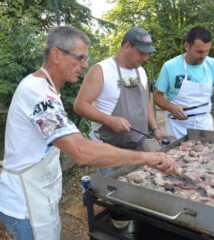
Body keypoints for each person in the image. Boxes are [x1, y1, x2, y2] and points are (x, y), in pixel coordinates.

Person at [0, 26, 176, 240]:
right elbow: (81, 151)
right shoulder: (38, 94)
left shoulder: (46, 90)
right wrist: (147, 157)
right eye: (80, 58)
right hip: (24, 204)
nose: (85, 65)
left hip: (38, 195)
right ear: (57, 55)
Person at [73, 26, 170, 175]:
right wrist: (109, 120)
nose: (145, 58)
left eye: (147, 54)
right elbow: (80, 105)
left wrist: (156, 129)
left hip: (137, 145)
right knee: (117, 191)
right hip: (108, 148)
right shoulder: (101, 70)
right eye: (142, 53)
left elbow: (146, 101)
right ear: (127, 46)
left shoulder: (141, 71)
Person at [153, 26, 214, 139]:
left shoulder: (213, 66)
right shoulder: (170, 67)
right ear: (187, 46)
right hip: (177, 130)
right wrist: (171, 107)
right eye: (199, 51)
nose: (203, 56)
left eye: (207, 51)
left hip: (205, 129)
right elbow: (157, 96)